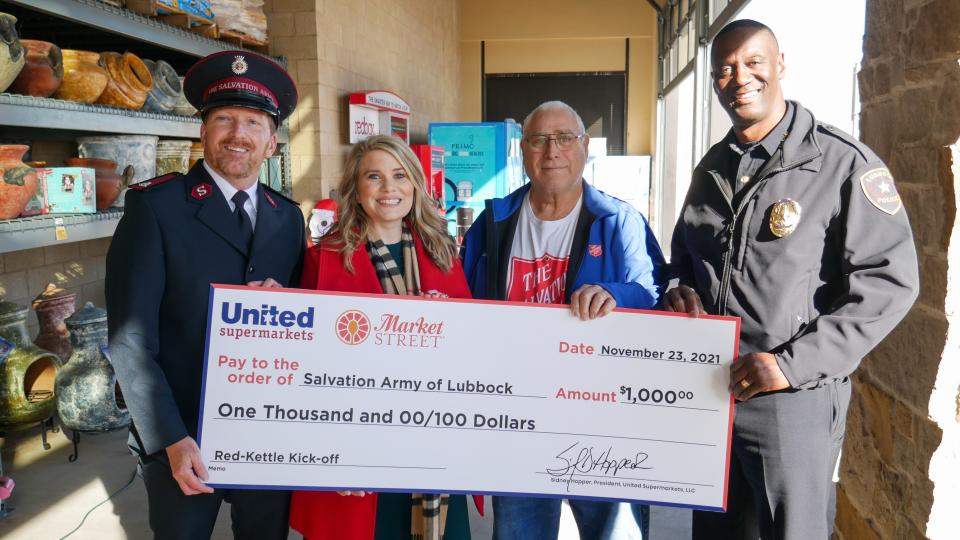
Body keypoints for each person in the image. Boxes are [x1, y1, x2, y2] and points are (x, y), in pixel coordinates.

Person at [662, 19, 919, 539]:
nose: (740, 78)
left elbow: (891, 282)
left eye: (754, 63)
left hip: (791, 402)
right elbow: (683, 257)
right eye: (726, 69)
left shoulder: (841, 165)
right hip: (710, 395)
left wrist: (790, 366)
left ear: (780, 67)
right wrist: (676, 291)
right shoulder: (710, 169)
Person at [105, 51, 304, 539]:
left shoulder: (288, 218)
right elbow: (130, 341)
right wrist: (169, 437)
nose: (239, 134)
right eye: (225, 119)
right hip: (183, 430)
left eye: (254, 123)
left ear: (271, 141)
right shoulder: (155, 208)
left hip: (266, 431)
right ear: (203, 131)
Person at [460, 100, 664, 539]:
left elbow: (652, 296)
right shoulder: (493, 222)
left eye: (564, 138)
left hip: (600, 420)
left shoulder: (618, 221)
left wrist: (613, 293)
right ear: (522, 149)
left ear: (585, 146)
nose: (552, 150)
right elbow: (463, 303)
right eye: (539, 139)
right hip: (516, 418)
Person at [289, 134, 483, 540]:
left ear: (415, 184)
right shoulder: (321, 258)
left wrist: (447, 325)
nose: (388, 188)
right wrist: (327, 453)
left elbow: (474, 356)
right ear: (356, 191)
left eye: (399, 175)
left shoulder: (443, 253)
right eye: (373, 177)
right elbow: (303, 370)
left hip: (432, 442)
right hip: (357, 445)